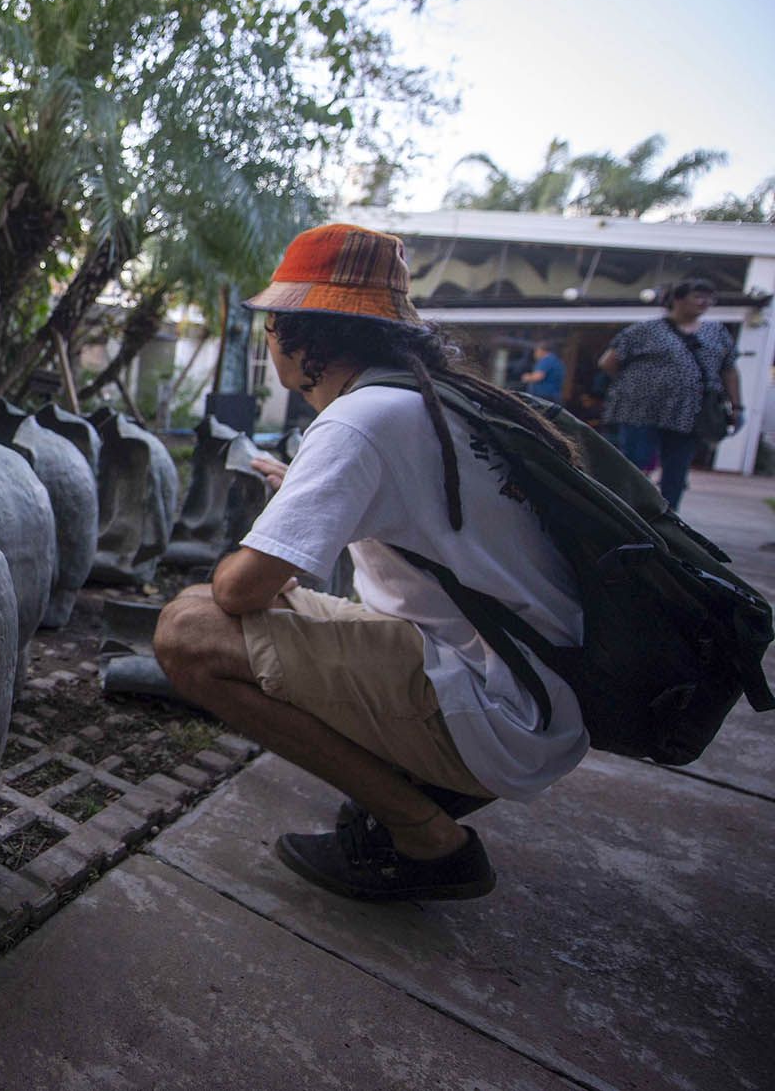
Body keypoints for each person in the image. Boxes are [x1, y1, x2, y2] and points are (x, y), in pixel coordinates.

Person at [154, 223, 588, 903]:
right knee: (228, 611)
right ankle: (423, 784)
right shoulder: (439, 402)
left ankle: (426, 838)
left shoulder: (362, 420)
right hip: (541, 692)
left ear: (304, 336)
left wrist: (265, 548)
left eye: (273, 325)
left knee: (189, 631)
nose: (270, 340)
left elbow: (241, 591)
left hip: (496, 710)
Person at [597, 279, 740, 510]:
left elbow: (729, 369)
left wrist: (736, 405)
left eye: (709, 297)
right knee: (636, 463)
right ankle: (627, 511)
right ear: (678, 299)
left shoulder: (716, 332)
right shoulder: (645, 330)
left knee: (677, 468)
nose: (704, 302)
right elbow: (608, 362)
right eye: (698, 296)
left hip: (688, 412)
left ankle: (668, 516)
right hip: (640, 410)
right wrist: (635, 386)